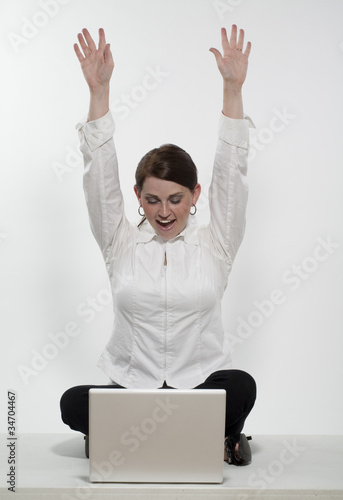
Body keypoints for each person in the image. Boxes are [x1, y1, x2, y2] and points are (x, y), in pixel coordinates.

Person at [60, 25, 256, 466]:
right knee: (72, 403)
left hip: (200, 383)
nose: (164, 211)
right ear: (138, 199)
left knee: (241, 387)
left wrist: (232, 89)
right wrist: (99, 92)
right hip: (133, 384)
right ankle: (201, 437)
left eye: (175, 199)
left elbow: (232, 174)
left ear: (195, 196)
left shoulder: (216, 244)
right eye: (152, 199)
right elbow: (100, 178)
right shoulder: (119, 242)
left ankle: (134, 437)